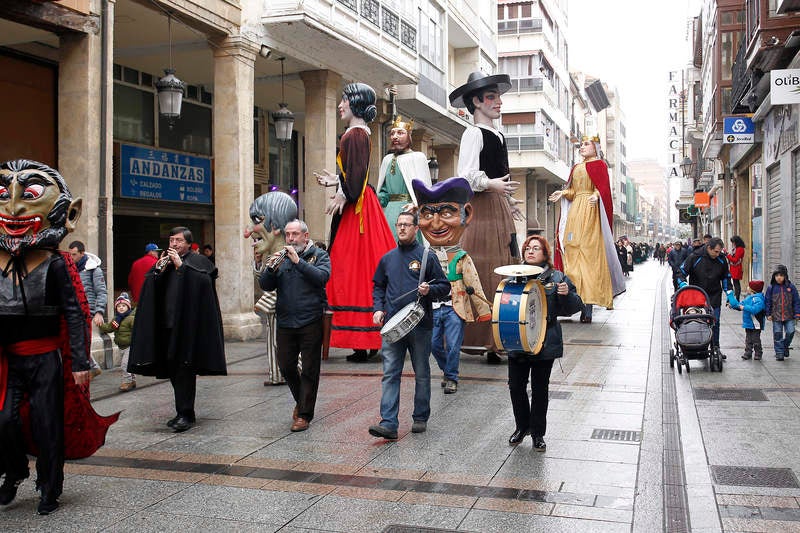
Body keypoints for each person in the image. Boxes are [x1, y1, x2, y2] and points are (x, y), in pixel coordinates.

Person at [0, 159, 117, 515]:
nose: (15, 205)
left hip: (45, 357)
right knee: (4, 420)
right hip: (9, 358)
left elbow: (75, 313)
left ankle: (50, 485)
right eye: (5, 194)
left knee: (46, 422)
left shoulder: (57, 264)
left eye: (30, 194)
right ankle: (16, 471)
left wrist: (81, 361)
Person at [315, 83, 395, 363]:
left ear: (356, 104)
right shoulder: (358, 134)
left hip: (357, 209)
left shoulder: (354, 135)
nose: (340, 104)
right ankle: (368, 339)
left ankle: (363, 340)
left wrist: (343, 194)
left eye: (345, 99)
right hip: (361, 205)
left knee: (350, 269)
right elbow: (355, 174)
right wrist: (337, 181)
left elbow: (357, 176)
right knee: (363, 267)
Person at [449, 71, 521, 363]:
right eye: (491, 97)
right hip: (481, 210)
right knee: (484, 270)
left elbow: (498, 174)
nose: (498, 102)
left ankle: (499, 339)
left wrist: (508, 198)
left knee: (504, 266)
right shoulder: (473, 133)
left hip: (498, 208)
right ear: (476, 102)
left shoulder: (498, 134)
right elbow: (464, 175)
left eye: (498, 96)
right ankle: (483, 338)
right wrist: (492, 185)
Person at [127, 226, 226, 432]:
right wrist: (158, 272)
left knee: (184, 370)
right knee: (173, 370)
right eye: (172, 240)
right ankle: (182, 410)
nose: (174, 244)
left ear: (188, 243)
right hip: (166, 325)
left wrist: (182, 267)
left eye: (179, 241)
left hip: (188, 326)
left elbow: (204, 284)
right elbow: (151, 288)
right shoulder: (164, 262)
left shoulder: (198, 262)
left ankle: (186, 414)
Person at [368, 212, 450, 439]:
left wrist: (429, 290)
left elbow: (445, 286)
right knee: (390, 373)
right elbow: (378, 287)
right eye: (399, 224)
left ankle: (420, 417)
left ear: (416, 228)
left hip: (420, 325)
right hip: (393, 327)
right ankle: (388, 423)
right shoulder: (387, 259)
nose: (402, 228)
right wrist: (377, 308)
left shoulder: (426, 257)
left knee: (422, 373)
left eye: (406, 225)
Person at [413, 177, 491, 394]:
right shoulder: (424, 255)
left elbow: (473, 284)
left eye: (446, 213)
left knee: (454, 345)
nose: (436, 223)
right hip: (432, 308)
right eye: (427, 214)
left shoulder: (462, 256)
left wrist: (483, 310)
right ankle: (448, 372)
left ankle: (452, 378)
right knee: (435, 345)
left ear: (466, 214)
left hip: (455, 307)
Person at [507, 235, 582, 451]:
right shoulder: (513, 276)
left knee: (540, 389)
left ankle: (538, 433)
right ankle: (522, 427)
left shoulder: (557, 277)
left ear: (544, 253)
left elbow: (574, 307)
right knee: (516, 386)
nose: (530, 251)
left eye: (536, 248)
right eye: (527, 248)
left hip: (545, 340)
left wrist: (567, 295)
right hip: (519, 340)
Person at [259, 219, 330, 432]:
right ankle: (302, 401)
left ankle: (304, 415)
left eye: (295, 234)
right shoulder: (282, 258)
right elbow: (266, 285)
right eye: (288, 234)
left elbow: (322, 278)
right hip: (286, 321)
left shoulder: (319, 255)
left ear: (305, 236)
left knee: (309, 369)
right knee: (286, 365)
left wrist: (299, 261)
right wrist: (268, 268)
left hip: (310, 320)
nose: (290, 238)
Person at [549, 136, 625, 323]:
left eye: (586, 144)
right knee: (571, 252)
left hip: (590, 212)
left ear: (595, 147)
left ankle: (588, 306)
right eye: (581, 144)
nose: (582, 147)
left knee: (589, 258)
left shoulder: (599, 165)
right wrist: (563, 192)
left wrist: (597, 195)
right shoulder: (576, 167)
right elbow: (573, 191)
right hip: (575, 211)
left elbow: (604, 188)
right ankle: (572, 301)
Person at [245, 191, 298, 386]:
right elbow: (265, 282)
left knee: (283, 343)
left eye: (257, 220)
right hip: (275, 308)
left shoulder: (291, 255)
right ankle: (276, 375)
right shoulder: (271, 255)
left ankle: (299, 372)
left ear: (275, 226)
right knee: (272, 339)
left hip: (289, 310)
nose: (250, 230)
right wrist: (259, 265)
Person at [376, 115, 431, 241]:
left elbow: (426, 189)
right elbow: (383, 191)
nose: (395, 136)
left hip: (408, 212)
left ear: (409, 136)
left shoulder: (417, 157)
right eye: (392, 133)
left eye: (400, 133)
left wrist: (417, 204)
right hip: (388, 213)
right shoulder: (387, 159)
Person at [678, 237, 734, 358]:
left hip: (714, 295)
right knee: (699, 321)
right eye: (716, 251)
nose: (718, 254)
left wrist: (730, 294)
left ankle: (715, 347)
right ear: (709, 248)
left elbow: (726, 277)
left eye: (720, 252)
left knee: (715, 322)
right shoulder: (695, 257)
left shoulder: (721, 259)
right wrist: (683, 284)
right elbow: (681, 272)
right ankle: (698, 346)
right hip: (697, 296)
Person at [68, 240, 107, 377]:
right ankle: (93, 366)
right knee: (77, 339)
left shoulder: (93, 270)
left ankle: (90, 367)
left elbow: (101, 291)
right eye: (70, 254)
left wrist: (99, 312)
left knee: (80, 339)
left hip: (85, 311)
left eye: (74, 255)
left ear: (82, 253)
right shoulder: (70, 268)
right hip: (72, 310)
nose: (71, 257)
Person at [99, 292, 137, 391]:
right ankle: (132, 380)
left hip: (129, 346)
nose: (121, 307)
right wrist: (100, 324)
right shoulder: (117, 320)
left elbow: (137, 330)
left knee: (125, 365)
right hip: (121, 346)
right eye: (119, 306)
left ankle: (127, 382)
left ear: (128, 307)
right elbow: (109, 328)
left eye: (124, 305)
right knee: (128, 364)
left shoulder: (130, 319)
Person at [764, 264, 800, 361]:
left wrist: (797, 313)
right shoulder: (771, 288)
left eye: (781, 275)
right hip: (776, 316)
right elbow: (767, 301)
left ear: (785, 276)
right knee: (777, 333)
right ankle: (779, 352)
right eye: (777, 275)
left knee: (791, 331)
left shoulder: (791, 287)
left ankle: (785, 346)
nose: (779, 278)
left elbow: (796, 300)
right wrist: (768, 314)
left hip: (789, 315)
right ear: (774, 277)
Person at [730, 280, 766, 361]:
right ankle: (748, 352)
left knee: (756, 339)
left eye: (749, 286)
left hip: (756, 323)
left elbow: (755, 309)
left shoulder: (758, 299)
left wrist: (744, 307)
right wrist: (733, 306)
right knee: (748, 339)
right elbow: (741, 304)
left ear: (753, 289)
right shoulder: (749, 297)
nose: (747, 287)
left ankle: (758, 353)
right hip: (749, 322)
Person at [726, 235, 746, 300]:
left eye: (733, 242)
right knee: (735, 283)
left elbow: (735, 260)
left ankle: (737, 298)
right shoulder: (737, 249)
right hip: (734, 268)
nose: (732, 244)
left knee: (736, 283)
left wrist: (727, 255)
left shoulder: (740, 249)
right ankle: (736, 297)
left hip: (736, 268)